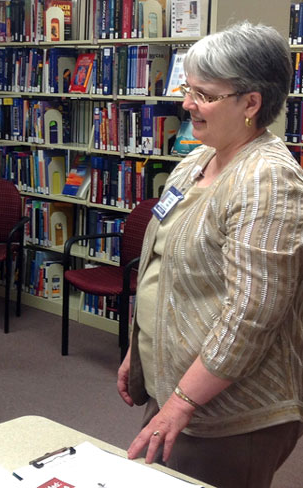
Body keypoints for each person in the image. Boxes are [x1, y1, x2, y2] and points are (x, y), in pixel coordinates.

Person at [117, 22, 303, 488]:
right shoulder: (195, 162)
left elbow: (251, 314)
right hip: (181, 392)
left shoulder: (266, 180)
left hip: (231, 414)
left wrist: (181, 400)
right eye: (187, 88)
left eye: (203, 93)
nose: (186, 104)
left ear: (251, 103)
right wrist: (139, 353)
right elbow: (165, 266)